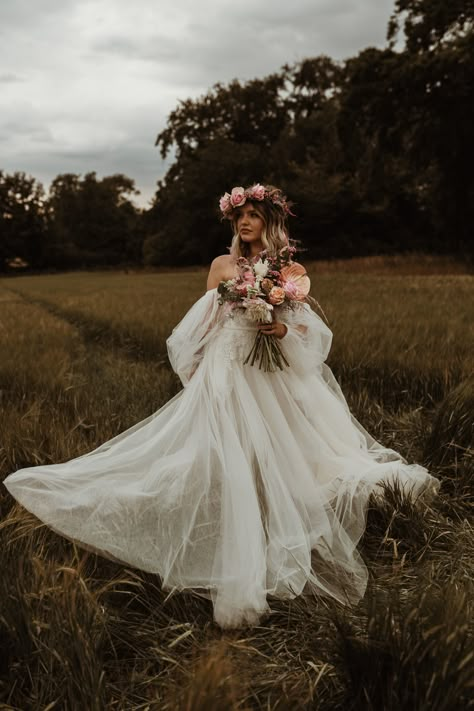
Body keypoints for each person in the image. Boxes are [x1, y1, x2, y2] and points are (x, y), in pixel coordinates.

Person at [3, 183, 440, 629]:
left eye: (253, 214)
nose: (245, 222)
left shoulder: (290, 270)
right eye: (240, 216)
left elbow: (310, 332)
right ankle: (227, 528)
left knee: (281, 450)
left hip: (271, 374)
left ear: (270, 220)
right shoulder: (221, 266)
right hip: (227, 366)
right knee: (226, 450)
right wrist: (196, 370)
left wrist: (282, 332)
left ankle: (275, 526)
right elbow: (207, 320)